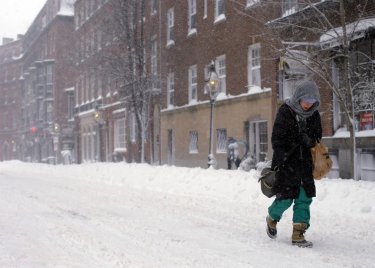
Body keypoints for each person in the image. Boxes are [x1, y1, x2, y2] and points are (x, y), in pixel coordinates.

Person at [266, 80, 322, 248]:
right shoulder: (285, 111)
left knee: (304, 199)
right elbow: (276, 139)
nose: (307, 105)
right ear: (298, 98)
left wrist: (309, 140)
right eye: (305, 101)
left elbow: (317, 137)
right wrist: (283, 158)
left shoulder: (314, 114)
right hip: (287, 163)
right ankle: (272, 217)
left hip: (305, 164)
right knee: (285, 199)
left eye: (311, 102)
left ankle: (298, 233)